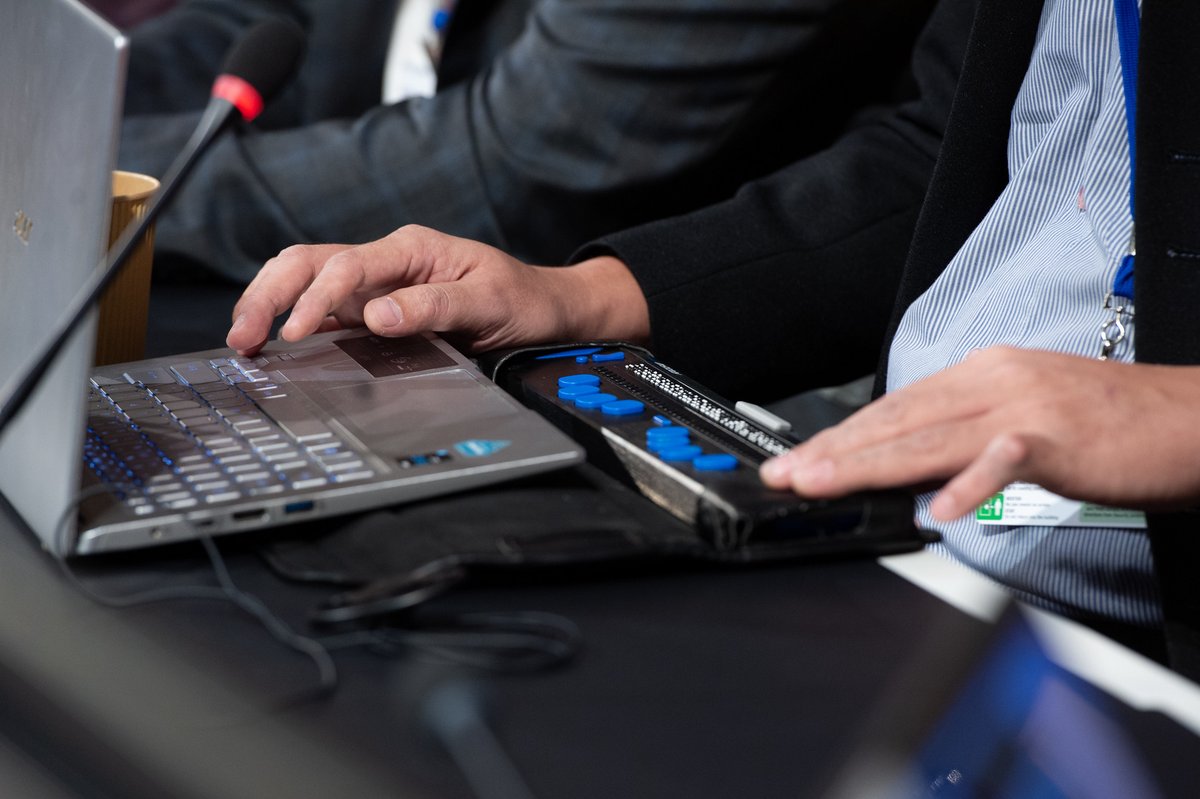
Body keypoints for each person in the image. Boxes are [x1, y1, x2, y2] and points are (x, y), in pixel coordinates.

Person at [226, 0, 1200, 679]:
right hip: (901, 553)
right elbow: (936, 164)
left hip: (1141, 640)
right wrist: (584, 295)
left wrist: (1180, 417)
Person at [117, 0, 935, 284]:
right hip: (331, 281)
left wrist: (91, 182)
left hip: (620, 371)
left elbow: (508, 161)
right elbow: (263, 26)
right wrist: (59, 121)